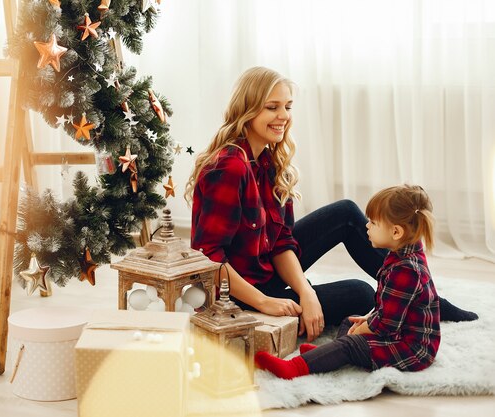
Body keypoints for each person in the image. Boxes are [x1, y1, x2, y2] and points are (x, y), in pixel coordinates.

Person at [185, 66, 477, 343]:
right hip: (235, 294)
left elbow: (280, 242)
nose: (283, 116)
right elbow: (208, 258)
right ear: (246, 110)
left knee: (346, 213)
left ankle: (426, 297)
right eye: (272, 107)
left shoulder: (267, 162)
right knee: (362, 294)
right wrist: (265, 302)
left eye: (287, 106)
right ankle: (422, 298)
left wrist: (305, 291)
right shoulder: (229, 168)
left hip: (264, 270)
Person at [255, 184, 441, 378]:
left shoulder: (406, 270)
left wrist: (365, 328)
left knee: (351, 343)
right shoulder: (403, 252)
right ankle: (329, 354)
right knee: (349, 321)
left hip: (410, 349)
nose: (367, 226)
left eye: (374, 223)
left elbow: (386, 324)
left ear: (396, 232)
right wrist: (366, 320)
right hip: (398, 332)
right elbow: (389, 306)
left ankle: (295, 367)